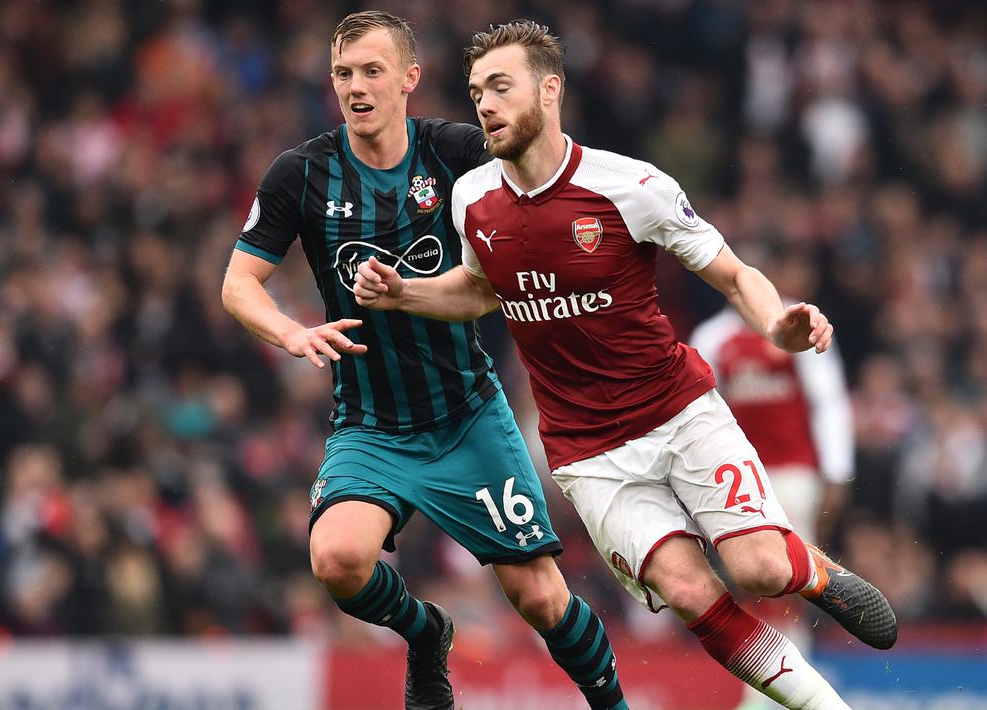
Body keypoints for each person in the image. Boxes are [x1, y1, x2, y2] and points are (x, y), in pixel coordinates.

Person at [354, 19, 896, 710]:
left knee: (758, 571)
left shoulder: (630, 185)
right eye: (474, 92)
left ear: (549, 91)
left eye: (499, 87)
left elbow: (732, 273)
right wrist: (406, 293)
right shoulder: (471, 199)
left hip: (678, 413)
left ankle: (815, 575)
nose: (484, 105)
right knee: (687, 590)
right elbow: (481, 291)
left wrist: (776, 327)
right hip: (587, 451)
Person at [221, 12, 628, 710]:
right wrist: (289, 333)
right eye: (343, 73)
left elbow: (525, 228)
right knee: (336, 559)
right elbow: (236, 284)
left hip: (466, 415)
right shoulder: (302, 173)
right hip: (371, 424)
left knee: (538, 598)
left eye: (371, 71)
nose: (356, 86)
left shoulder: (458, 153)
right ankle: (425, 631)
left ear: (409, 78)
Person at [690, 248, 854, 710]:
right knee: (752, 580)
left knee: (788, 578)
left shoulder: (800, 324)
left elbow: (828, 403)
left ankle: (778, 691)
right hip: (739, 475)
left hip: (794, 472)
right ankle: (778, 686)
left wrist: (835, 473)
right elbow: (699, 415)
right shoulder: (712, 337)